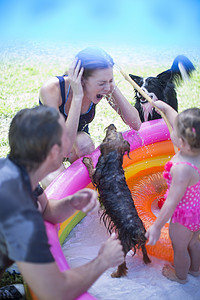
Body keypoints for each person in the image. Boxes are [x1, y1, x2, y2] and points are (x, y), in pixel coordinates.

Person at [0, 105, 124, 300]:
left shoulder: (16, 171)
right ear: (53, 152)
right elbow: (54, 292)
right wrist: (104, 260)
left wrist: (73, 202)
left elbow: (47, 209)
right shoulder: (20, 211)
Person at [39, 47, 141, 186]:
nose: (106, 88)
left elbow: (136, 124)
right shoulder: (52, 90)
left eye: (110, 80)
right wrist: (78, 96)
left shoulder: (104, 87)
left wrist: (111, 85)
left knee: (84, 143)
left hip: (74, 140)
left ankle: (86, 189)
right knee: (55, 182)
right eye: (101, 83)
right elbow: (64, 149)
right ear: (81, 80)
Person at [145, 101, 200, 284]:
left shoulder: (182, 169)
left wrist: (156, 226)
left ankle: (181, 276)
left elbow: (171, 202)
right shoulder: (195, 152)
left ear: (182, 142)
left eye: (174, 131)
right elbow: (176, 119)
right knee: (193, 242)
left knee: (180, 247)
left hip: (183, 216)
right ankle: (195, 270)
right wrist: (163, 106)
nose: (171, 131)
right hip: (197, 209)